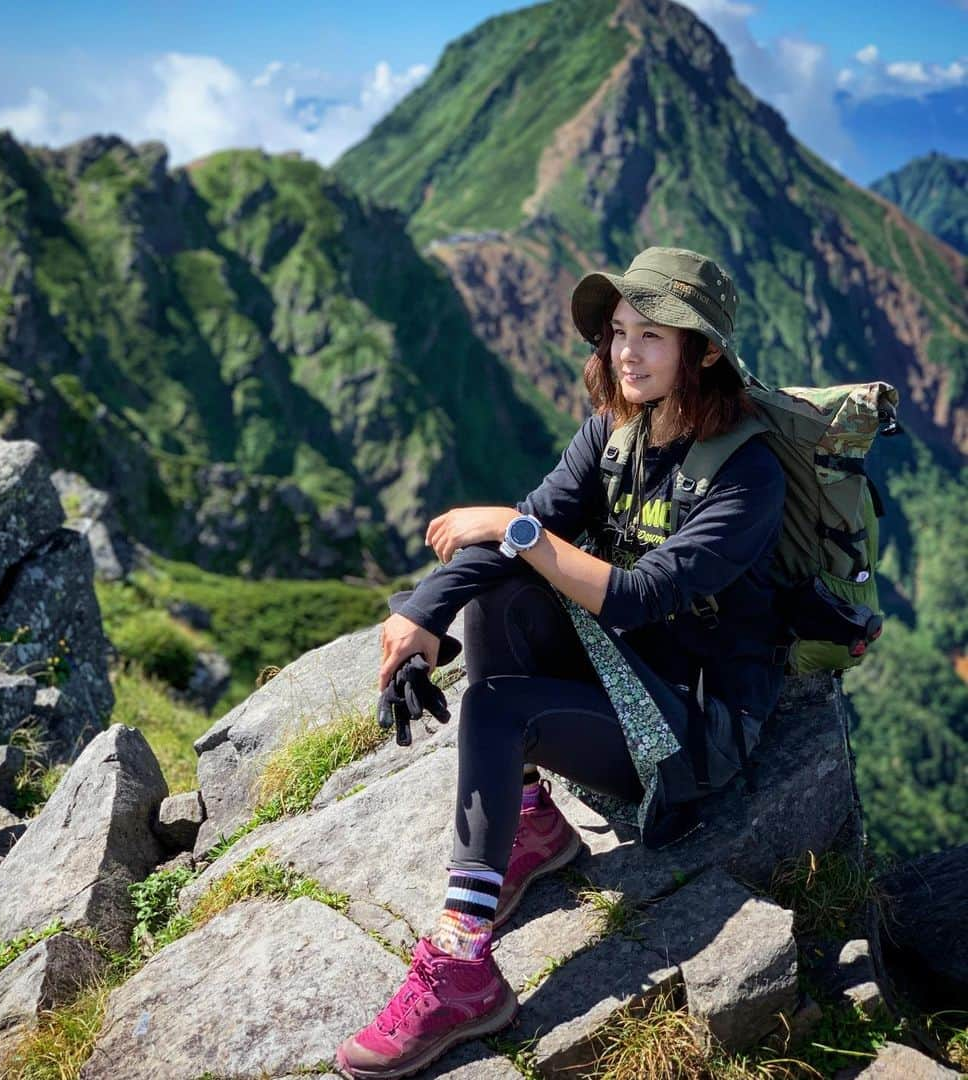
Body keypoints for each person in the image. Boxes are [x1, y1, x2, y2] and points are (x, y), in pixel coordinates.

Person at [335, 247, 787, 1080]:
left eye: (653, 335)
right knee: (495, 599)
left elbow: (638, 595)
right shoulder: (616, 434)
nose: (627, 354)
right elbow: (523, 540)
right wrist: (422, 617)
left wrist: (515, 529)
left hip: (691, 730)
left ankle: (463, 966)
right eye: (619, 331)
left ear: (707, 351)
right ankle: (534, 823)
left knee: (496, 708)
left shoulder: (749, 476)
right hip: (625, 676)